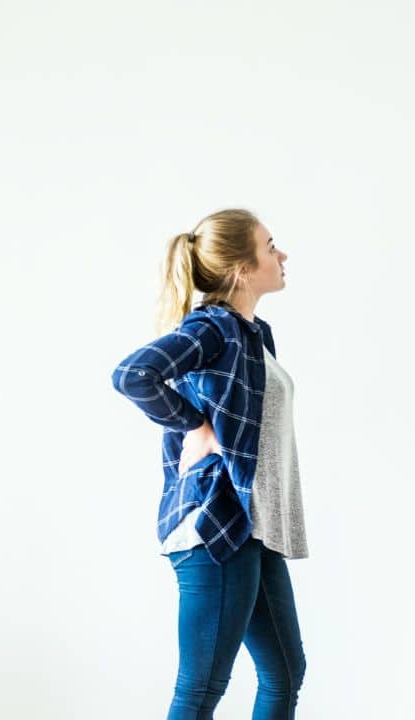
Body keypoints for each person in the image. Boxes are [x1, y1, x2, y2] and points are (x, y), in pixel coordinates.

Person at [111, 208, 309, 717]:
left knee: (285, 674)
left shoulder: (253, 335)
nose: (282, 255)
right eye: (270, 247)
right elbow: (134, 373)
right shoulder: (214, 327)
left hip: (252, 528)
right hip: (216, 526)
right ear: (242, 268)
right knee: (201, 689)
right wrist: (195, 427)